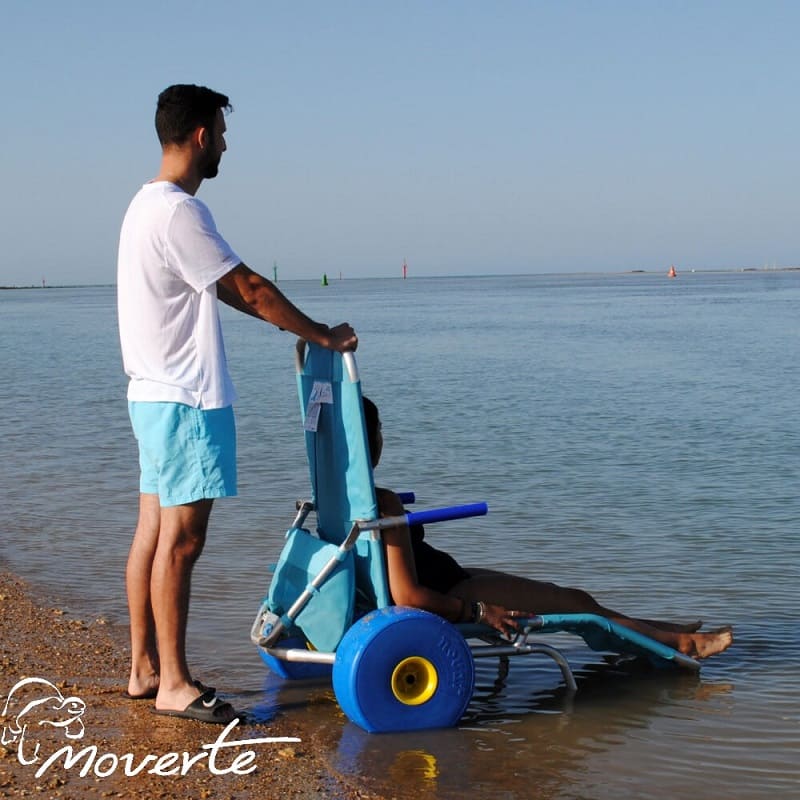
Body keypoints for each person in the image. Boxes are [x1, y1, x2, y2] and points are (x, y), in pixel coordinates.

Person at [117, 84, 358, 724]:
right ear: (200, 135)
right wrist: (322, 336)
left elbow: (222, 291)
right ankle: (174, 682)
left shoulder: (142, 208)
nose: (225, 142)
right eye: (221, 130)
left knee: (152, 534)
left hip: (151, 394)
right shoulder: (177, 213)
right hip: (185, 401)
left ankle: (144, 669)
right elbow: (248, 289)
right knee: (182, 542)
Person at [362, 397, 734, 661]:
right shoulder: (385, 502)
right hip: (450, 592)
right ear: (369, 439)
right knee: (575, 605)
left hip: (446, 577)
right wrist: (478, 613)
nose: (384, 438)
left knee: (573, 599)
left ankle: (658, 630)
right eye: (380, 430)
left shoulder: (350, 493)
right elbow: (408, 595)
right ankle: (681, 645)